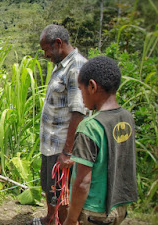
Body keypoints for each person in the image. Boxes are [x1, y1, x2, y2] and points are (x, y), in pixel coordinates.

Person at [63, 56, 137, 225]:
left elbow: (82, 182)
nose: (82, 97)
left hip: (94, 212)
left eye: (81, 90)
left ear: (92, 86)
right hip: (119, 207)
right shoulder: (127, 118)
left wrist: (71, 218)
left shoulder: (89, 127)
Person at [33, 24, 88, 225]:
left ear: (58, 43)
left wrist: (68, 151)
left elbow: (78, 111)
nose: (45, 54)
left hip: (62, 146)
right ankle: (50, 219)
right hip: (51, 143)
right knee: (50, 186)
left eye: (46, 49)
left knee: (62, 191)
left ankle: (62, 222)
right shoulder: (62, 66)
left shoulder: (76, 68)